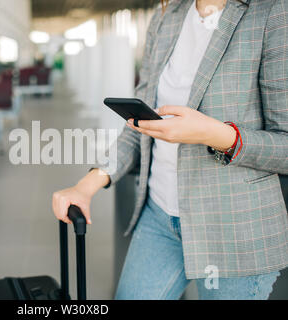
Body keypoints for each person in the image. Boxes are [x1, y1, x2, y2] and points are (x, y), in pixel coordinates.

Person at [52, 0, 288, 300]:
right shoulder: (167, 16)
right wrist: (87, 184)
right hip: (160, 216)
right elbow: (138, 128)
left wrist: (213, 134)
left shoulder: (271, 12)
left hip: (234, 228)